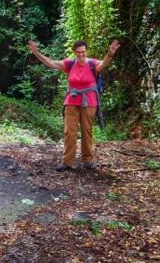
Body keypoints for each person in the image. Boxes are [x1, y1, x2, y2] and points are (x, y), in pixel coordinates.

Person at [28, 38, 120, 171]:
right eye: (78, 52)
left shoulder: (92, 64)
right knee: (69, 131)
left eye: (83, 52)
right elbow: (51, 63)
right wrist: (36, 53)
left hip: (89, 101)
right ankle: (67, 162)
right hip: (72, 100)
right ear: (74, 52)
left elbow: (102, 64)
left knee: (86, 130)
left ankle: (87, 160)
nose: (81, 54)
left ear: (86, 51)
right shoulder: (70, 64)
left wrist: (110, 54)